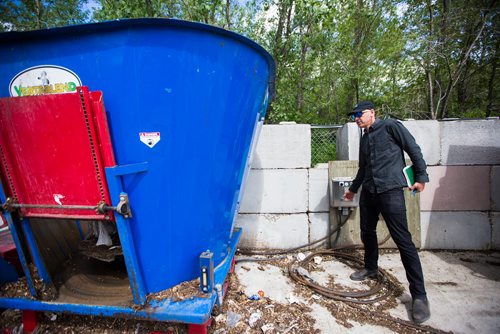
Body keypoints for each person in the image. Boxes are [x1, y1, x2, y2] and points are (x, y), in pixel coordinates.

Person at [343, 100, 430, 324]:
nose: (356, 119)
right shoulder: (364, 137)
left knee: (404, 242)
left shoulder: (391, 126)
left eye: (359, 115)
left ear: (372, 113)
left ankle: (419, 296)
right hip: (369, 192)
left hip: (390, 190)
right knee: (366, 232)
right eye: (354, 117)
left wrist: (421, 177)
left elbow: (413, 148)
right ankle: (371, 267)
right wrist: (353, 190)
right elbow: (363, 168)